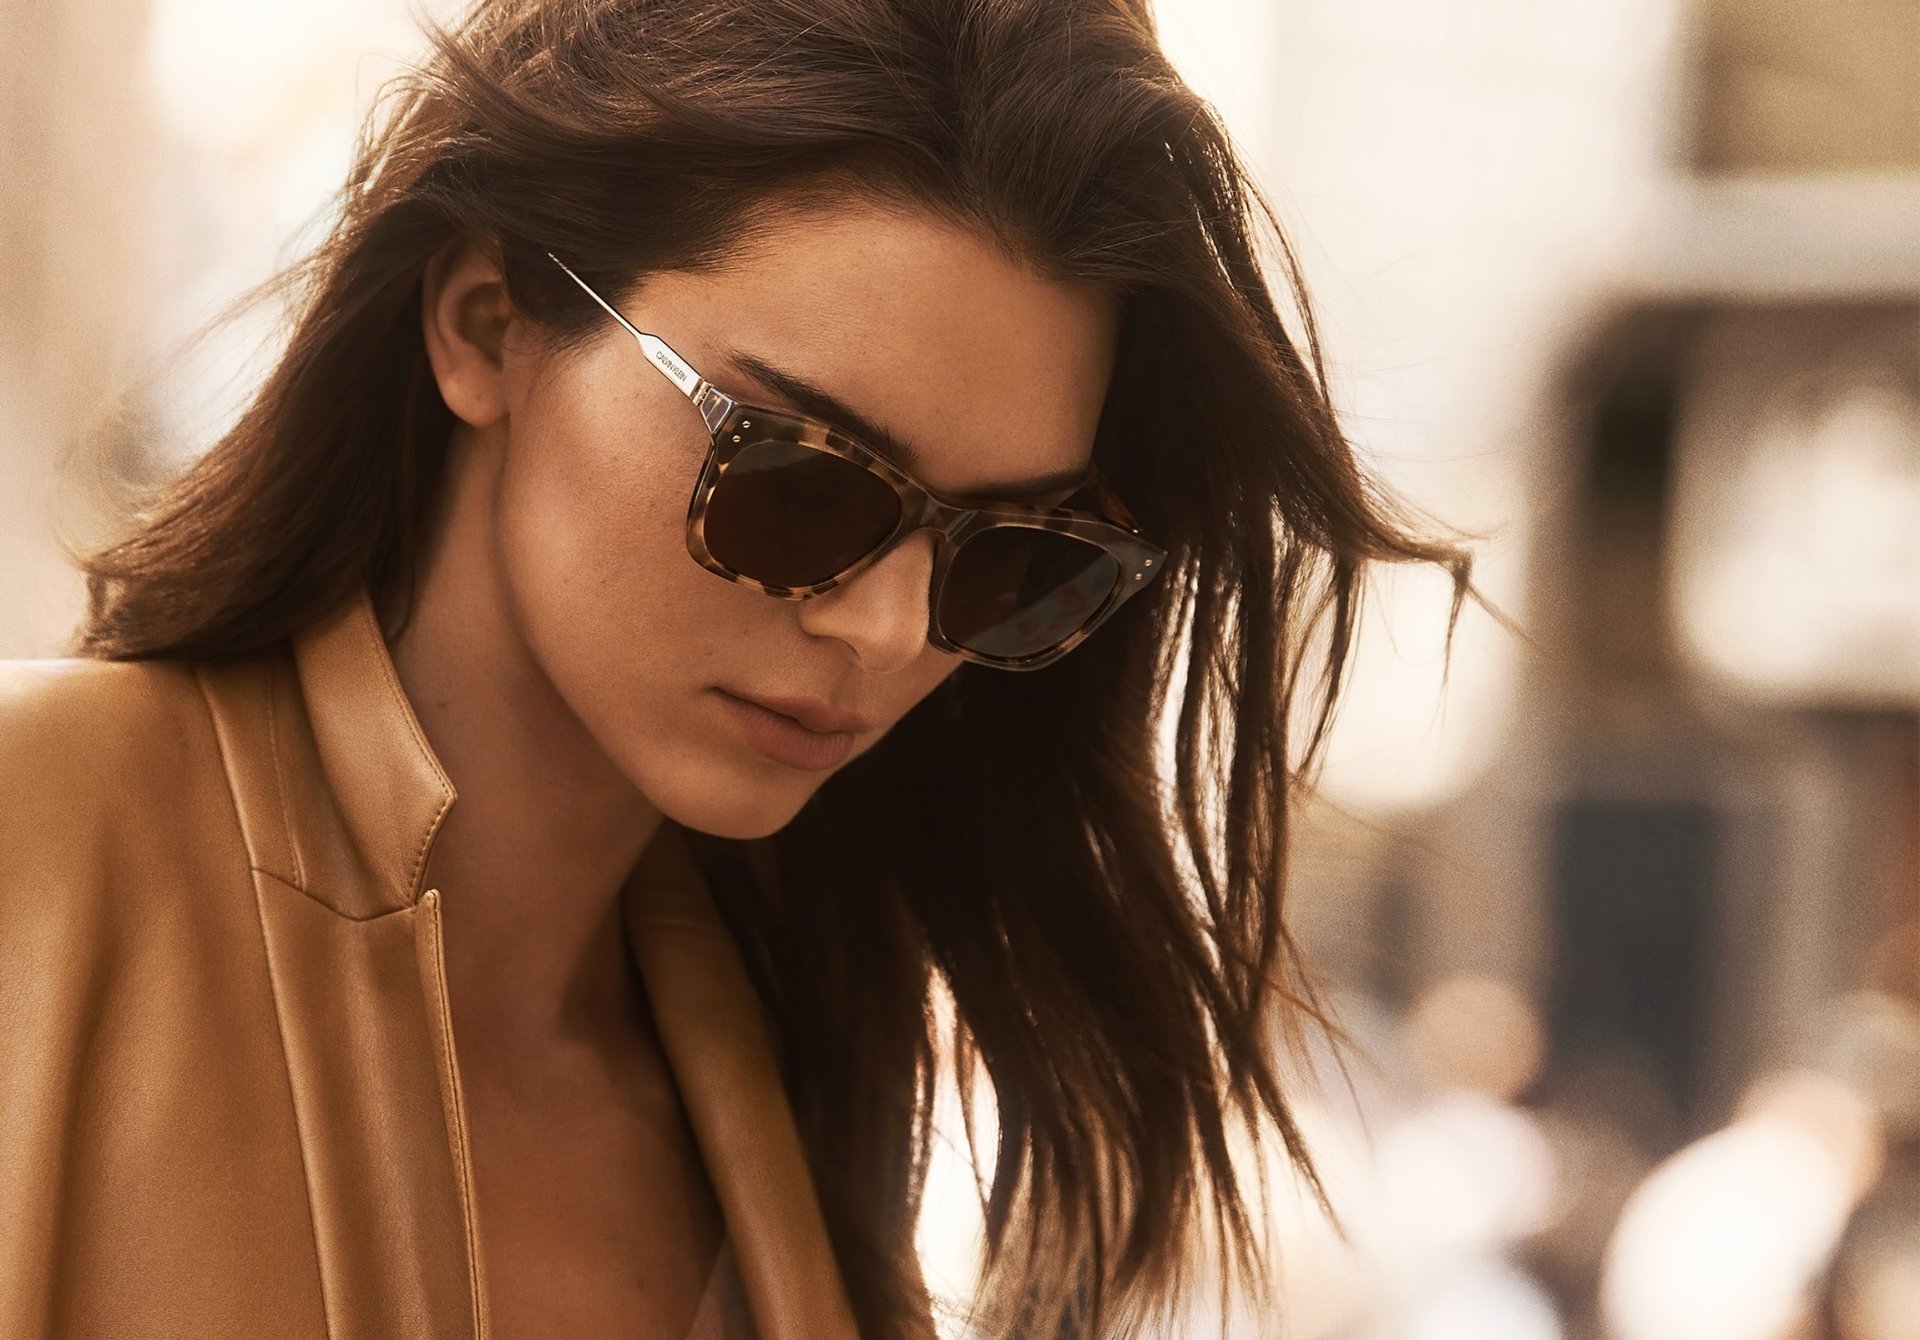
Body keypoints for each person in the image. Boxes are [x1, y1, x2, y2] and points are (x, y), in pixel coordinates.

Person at [0, 0, 1477, 1336]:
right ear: (486, 322)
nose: (890, 630)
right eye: (802, 479)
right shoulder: (44, 843)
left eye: (1010, 558)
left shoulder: (790, 1078)